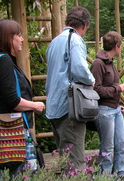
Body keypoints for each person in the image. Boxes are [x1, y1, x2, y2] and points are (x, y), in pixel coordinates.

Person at [0, 19, 45, 181]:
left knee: (2, 174)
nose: (22, 40)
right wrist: (34, 105)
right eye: (19, 35)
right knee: (8, 176)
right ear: (9, 38)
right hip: (8, 130)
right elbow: (13, 101)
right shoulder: (4, 61)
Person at [45, 6, 95, 169]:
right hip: (69, 108)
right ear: (85, 25)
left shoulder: (55, 41)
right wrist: (91, 80)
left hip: (54, 105)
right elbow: (80, 70)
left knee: (64, 157)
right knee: (75, 160)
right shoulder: (74, 40)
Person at [90, 31, 124, 181]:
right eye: (121, 46)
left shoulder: (110, 63)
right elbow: (97, 90)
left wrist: (119, 103)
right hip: (104, 110)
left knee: (121, 145)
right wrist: (118, 88)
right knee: (107, 148)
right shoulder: (98, 64)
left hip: (115, 109)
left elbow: (110, 90)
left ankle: (120, 179)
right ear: (117, 46)